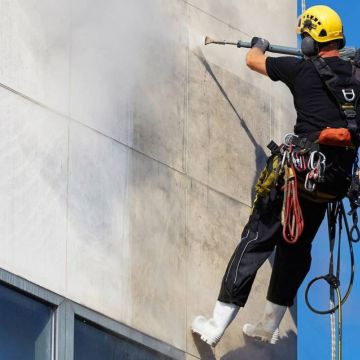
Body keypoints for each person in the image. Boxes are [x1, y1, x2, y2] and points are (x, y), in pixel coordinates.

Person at [192, 5, 359, 346]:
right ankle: (268, 325)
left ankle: (215, 325)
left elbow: (253, 61)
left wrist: (259, 44)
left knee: (257, 240)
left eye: (304, 37)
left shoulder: (301, 70)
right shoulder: (357, 79)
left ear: (312, 41)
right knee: (294, 251)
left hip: (299, 177)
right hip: (330, 185)